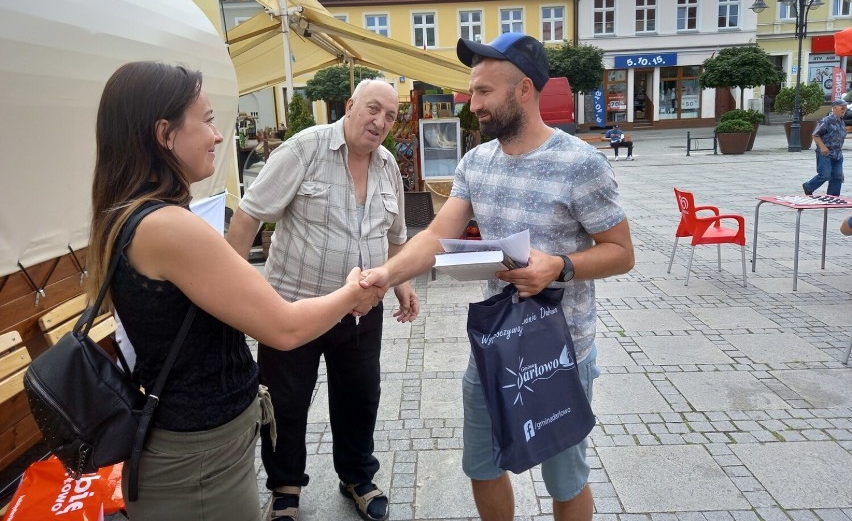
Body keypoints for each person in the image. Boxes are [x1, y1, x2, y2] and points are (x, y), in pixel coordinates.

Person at [87, 62, 382, 521]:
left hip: (189, 444)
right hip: (200, 457)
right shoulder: (168, 226)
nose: (219, 135)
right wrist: (352, 291)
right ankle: (286, 486)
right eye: (206, 120)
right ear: (165, 133)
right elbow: (284, 328)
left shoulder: (131, 213)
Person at [361, 32, 634, 521]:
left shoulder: (580, 163)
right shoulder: (476, 162)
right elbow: (436, 236)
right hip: (496, 346)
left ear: (523, 90)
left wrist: (560, 266)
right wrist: (385, 273)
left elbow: (621, 253)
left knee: (565, 479)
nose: (473, 104)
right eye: (473, 91)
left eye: (485, 91)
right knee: (482, 466)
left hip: (562, 351)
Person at [226, 78, 420, 521]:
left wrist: (403, 283)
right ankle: (285, 490)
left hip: (361, 312)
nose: (380, 122)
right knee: (286, 401)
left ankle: (357, 476)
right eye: (373, 109)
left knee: (359, 396)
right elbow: (249, 216)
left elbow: (395, 238)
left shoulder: (388, 164)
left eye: (390, 116)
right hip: (294, 309)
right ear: (350, 106)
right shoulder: (303, 149)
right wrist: (232, 293)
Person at [802, 99, 848, 196]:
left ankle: (833, 197)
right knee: (825, 175)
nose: (844, 109)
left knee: (837, 176)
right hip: (825, 153)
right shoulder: (827, 120)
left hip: (838, 154)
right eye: (842, 107)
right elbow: (815, 135)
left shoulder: (842, 122)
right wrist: (823, 147)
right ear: (834, 108)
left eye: (845, 108)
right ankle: (808, 186)